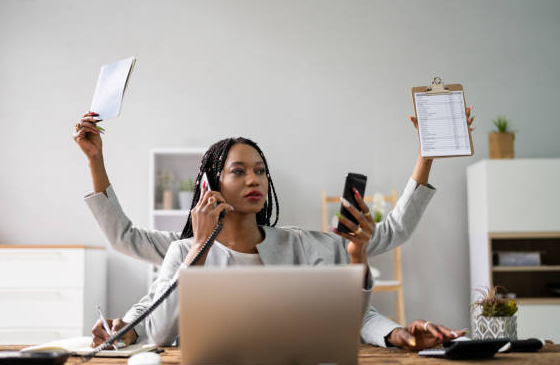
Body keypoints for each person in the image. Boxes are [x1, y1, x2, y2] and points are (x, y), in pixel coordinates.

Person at [73, 108, 474, 351]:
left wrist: (427, 158)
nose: (254, 180)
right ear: (210, 185)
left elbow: (385, 249)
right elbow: (152, 309)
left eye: (261, 171)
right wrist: (94, 161)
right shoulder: (184, 250)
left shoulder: (306, 246)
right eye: (239, 171)